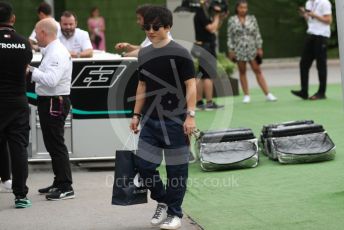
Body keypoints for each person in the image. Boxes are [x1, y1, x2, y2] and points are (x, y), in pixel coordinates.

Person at [130, 6, 196, 230]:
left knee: (176, 170)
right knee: (144, 166)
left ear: (168, 27)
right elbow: (142, 85)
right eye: (146, 26)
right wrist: (136, 114)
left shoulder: (181, 53)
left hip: (176, 120)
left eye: (155, 27)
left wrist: (190, 116)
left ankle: (175, 214)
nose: (150, 30)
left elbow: (191, 85)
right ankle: (164, 200)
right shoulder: (144, 53)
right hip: (149, 119)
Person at [28, 18, 75, 201]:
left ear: (44, 33)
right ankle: (59, 181)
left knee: (56, 145)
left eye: (36, 32)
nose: (35, 36)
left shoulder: (57, 52)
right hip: (50, 101)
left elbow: (51, 80)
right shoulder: (52, 50)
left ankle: (66, 186)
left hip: (54, 102)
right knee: (52, 144)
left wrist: (30, 71)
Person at [0, 1, 32, 208]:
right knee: (19, 149)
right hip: (18, 102)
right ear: (13, 19)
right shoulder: (24, 43)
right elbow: (25, 71)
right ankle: (20, 196)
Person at [227, 0, 277, 103]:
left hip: (252, 48)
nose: (243, 9)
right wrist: (231, 50)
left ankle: (268, 94)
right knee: (242, 71)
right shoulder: (232, 20)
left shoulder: (252, 19)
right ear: (237, 8)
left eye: (245, 7)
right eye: (241, 7)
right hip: (239, 49)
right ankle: (246, 95)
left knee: (257, 70)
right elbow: (230, 36)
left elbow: (257, 34)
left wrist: (259, 47)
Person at [291, 0, 332, 100]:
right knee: (303, 63)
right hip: (311, 34)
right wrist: (305, 15)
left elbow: (328, 20)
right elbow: (311, 21)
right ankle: (304, 91)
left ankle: (321, 92)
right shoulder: (308, 3)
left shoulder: (324, 2)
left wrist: (314, 14)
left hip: (321, 36)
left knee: (321, 65)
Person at [193, 1, 226, 110]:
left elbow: (215, 28)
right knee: (208, 75)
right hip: (206, 47)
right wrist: (217, 15)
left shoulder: (204, 13)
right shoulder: (201, 13)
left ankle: (199, 102)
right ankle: (209, 103)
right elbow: (211, 28)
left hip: (204, 46)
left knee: (202, 74)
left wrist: (220, 18)